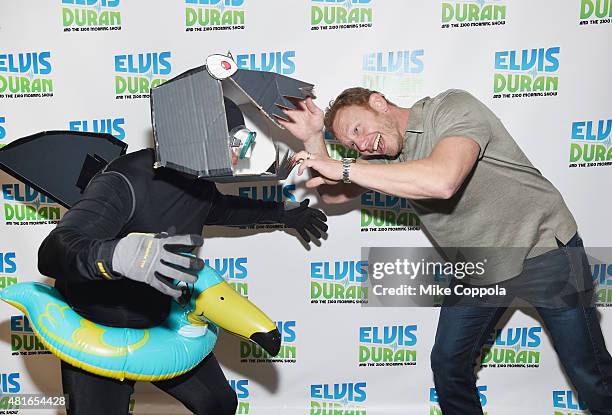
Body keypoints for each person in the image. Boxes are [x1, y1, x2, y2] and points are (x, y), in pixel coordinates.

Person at [278, 88, 612, 415]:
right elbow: (335, 195)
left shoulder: (452, 108)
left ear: (378, 103)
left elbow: (443, 180)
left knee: (589, 373)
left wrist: (347, 168)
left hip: (542, 250)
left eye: (357, 129)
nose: (362, 145)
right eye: (352, 145)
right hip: (479, 266)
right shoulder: (382, 153)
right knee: (449, 365)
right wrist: (311, 139)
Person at [37, 147, 327, 415]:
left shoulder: (197, 179)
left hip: (160, 321)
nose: (242, 153)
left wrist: (282, 214)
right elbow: (53, 251)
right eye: (236, 141)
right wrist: (113, 255)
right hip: (98, 329)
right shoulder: (122, 180)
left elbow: (221, 209)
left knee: (219, 405)